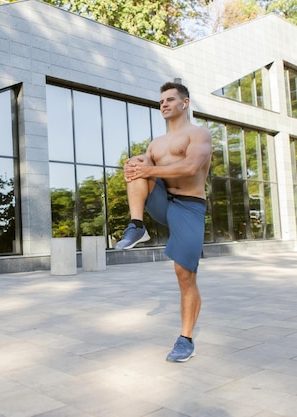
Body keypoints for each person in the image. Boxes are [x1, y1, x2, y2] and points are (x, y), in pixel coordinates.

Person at [115, 81, 212, 362]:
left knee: (185, 276)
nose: (165, 104)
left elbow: (191, 166)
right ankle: (137, 225)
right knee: (136, 168)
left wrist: (150, 167)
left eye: (170, 99)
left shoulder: (199, 134)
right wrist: (134, 164)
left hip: (189, 207)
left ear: (185, 103)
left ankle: (186, 339)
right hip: (162, 202)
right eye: (161, 102)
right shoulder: (156, 143)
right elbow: (143, 168)